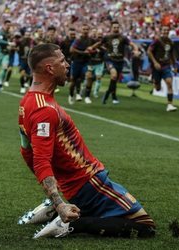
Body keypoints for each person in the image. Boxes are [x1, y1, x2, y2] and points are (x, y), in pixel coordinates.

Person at [18, 43, 156, 239]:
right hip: (89, 182)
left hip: (75, 185)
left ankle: (53, 209)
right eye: (62, 61)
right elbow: (40, 160)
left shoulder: (28, 102)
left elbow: (26, 150)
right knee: (145, 226)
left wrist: (57, 194)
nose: (67, 64)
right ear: (49, 68)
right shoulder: (44, 110)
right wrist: (60, 202)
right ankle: (70, 223)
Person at [89, 20, 139, 104]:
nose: (116, 29)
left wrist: (136, 50)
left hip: (119, 61)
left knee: (114, 80)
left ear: (119, 28)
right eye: (114, 27)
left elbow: (132, 44)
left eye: (117, 27)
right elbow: (99, 43)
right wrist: (91, 47)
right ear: (111, 28)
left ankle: (111, 95)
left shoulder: (123, 38)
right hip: (110, 60)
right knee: (114, 75)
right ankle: (110, 95)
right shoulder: (107, 37)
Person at [147, 26, 177, 112]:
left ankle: (170, 104)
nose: (165, 31)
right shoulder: (157, 41)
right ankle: (154, 80)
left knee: (169, 83)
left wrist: (174, 66)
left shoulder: (171, 42)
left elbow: (172, 55)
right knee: (158, 88)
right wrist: (155, 62)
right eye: (164, 30)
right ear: (161, 31)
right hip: (157, 66)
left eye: (167, 30)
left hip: (166, 66)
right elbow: (149, 51)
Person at [68, 24, 94, 105]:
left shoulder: (91, 40)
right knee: (73, 81)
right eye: (84, 29)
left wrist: (94, 50)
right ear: (81, 31)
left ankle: (87, 96)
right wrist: (83, 52)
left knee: (90, 76)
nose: (85, 31)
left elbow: (96, 47)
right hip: (77, 62)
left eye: (87, 29)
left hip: (86, 62)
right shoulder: (78, 40)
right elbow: (71, 50)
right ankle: (71, 95)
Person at [0, 20, 14, 90]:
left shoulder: (10, 34)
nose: (9, 27)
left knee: (5, 68)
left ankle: (0, 82)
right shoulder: (0, 32)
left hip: (6, 53)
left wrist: (12, 44)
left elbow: (12, 41)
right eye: (7, 25)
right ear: (4, 25)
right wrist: (9, 43)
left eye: (10, 25)